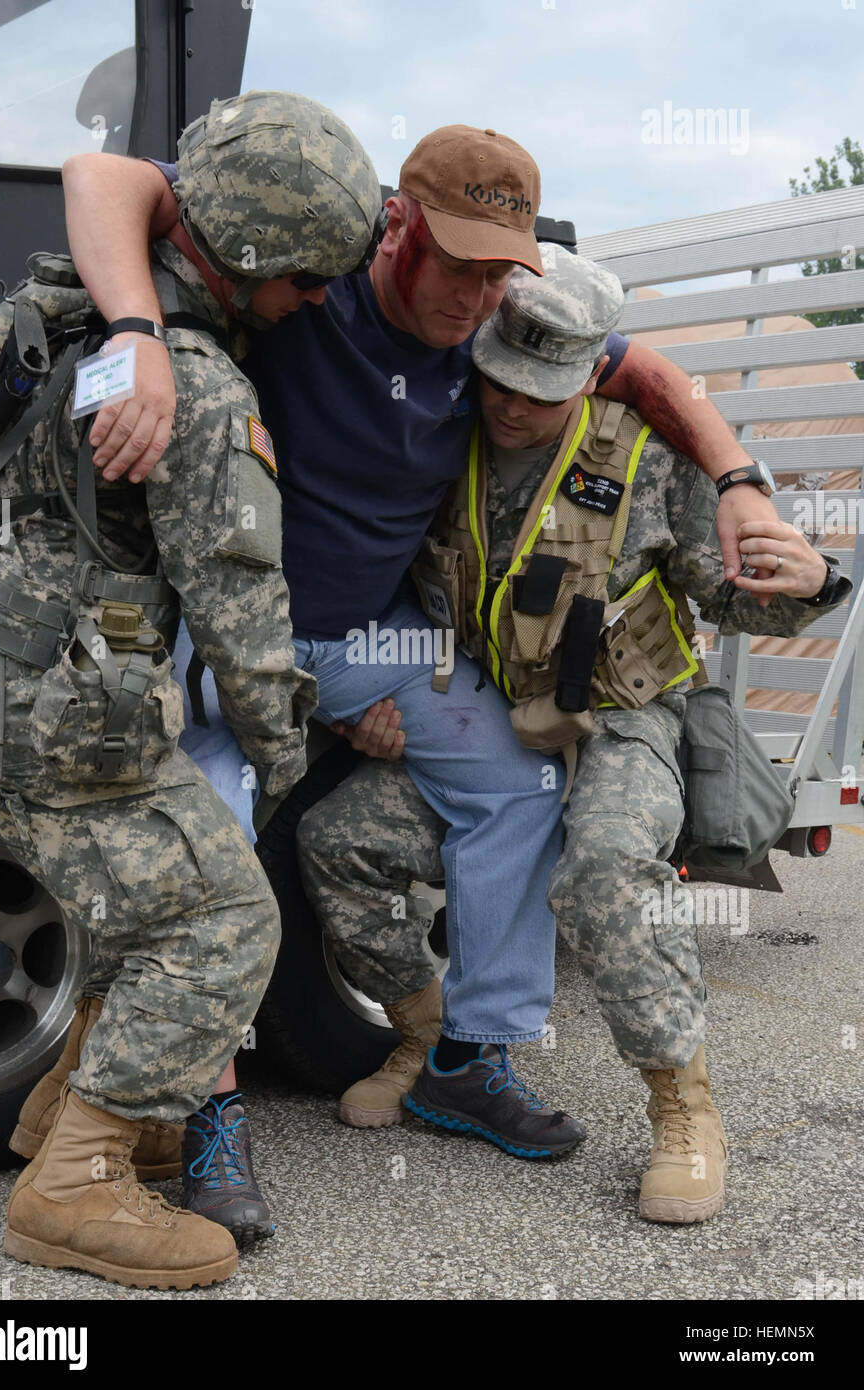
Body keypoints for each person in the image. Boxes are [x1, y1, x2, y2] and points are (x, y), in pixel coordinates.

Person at [59, 120, 788, 1150]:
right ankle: (203, 1112)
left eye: (499, 276)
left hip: (369, 642)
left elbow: (646, 375)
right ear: (394, 226)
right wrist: (133, 331)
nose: (474, 298)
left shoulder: (503, 339)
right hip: (231, 633)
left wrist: (739, 480)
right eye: (456, 266)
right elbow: (100, 173)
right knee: (205, 839)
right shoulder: (318, 275)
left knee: (516, 780)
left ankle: (464, 1056)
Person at [296, 250, 851, 1218]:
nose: (509, 404)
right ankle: (437, 1046)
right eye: (499, 376)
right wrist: (370, 699)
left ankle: (683, 1108)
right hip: (491, 716)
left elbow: (734, 595)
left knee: (601, 866)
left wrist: (805, 584)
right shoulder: (442, 435)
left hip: (623, 719)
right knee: (337, 841)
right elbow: (395, 581)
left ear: (591, 374)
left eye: (538, 391)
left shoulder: (647, 457)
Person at [0, 90, 383, 1287]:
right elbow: (245, 637)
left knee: (149, 898)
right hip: (57, 714)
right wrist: (288, 759)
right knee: (227, 917)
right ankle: (73, 1185)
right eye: (303, 277)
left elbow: (110, 177)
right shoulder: (201, 393)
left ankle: (52, 1121)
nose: (315, 301)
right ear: (241, 261)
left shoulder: (68, 303)